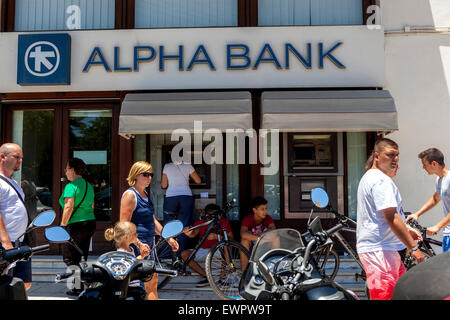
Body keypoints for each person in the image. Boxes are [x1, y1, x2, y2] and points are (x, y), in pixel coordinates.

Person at [357, 138, 424, 300]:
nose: (395, 159)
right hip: (380, 251)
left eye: (397, 156)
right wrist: (413, 248)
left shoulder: (372, 177)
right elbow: (391, 217)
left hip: (384, 250)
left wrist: (407, 230)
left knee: (397, 295)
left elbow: (382, 216)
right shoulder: (380, 180)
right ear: (377, 156)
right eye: (390, 155)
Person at [120, 161, 179, 300]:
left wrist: (168, 238)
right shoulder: (130, 195)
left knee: (152, 282)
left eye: (150, 175)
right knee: (135, 287)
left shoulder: (145, 194)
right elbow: (124, 225)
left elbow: (152, 221)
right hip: (135, 247)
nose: (149, 178)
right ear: (135, 175)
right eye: (145, 174)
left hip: (148, 246)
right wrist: (138, 243)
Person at [59, 158, 96, 296]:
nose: (66, 171)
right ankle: (84, 283)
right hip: (90, 223)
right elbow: (92, 206)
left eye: (67, 169)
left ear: (73, 170)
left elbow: (68, 207)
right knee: (82, 255)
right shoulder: (89, 185)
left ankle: (76, 287)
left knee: (69, 257)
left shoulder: (71, 186)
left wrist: (63, 226)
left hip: (75, 224)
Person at [0, 143, 31, 291]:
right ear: (2, 157)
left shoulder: (14, 182)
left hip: (20, 241)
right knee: (6, 285)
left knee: (24, 283)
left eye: (21, 158)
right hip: (6, 243)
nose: (20, 161)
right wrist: (5, 242)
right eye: (16, 157)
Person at [406, 148, 450, 252]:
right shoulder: (440, 179)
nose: (423, 167)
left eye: (425, 164)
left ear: (434, 163)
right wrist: (417, 214)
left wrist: (437, 226)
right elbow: (435, 198)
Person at [181, 203, 234, 287]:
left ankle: (223, 276)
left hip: (218, 251)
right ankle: (207, 277)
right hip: (203, 250)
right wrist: (188, 233)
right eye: (211, 215)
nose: (214, 218)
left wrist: (217, 236)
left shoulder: (223, 222)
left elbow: (231, 239)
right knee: (184, 254)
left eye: (216, 215)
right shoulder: (201, 222)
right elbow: (193, 234)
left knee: (227, 246)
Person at [161, 158, 201, 253]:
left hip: (171, 197)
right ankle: (181, 251)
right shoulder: (187, 165)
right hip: (186, 196)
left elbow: (163, 185)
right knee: (185, 225)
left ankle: (167, 252)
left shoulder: (167, 166)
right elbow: (198, 181)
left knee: (168, 224)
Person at [104, 221, 150, 295]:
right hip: (127, 288)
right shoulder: (121, 253)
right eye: (134, 233)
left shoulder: (131, 249)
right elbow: (130, 265)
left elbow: (134, 262)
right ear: (126, 237)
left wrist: (142, 256)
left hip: (134, 284)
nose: (137, 235)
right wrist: (142, 256)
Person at [240, 196, 276, 270]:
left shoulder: (268, 218)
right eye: (262, 209)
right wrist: (260, 237)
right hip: (253, 245)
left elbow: (273, 229)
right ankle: (244, 272)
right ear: (255, 210)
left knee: (276, 238)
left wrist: (260, 236)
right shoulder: (248, 219)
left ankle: (275, 267)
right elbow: (243, 234)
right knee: (244, 241)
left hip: (264, 244)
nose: (265, 211)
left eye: (266, 208)